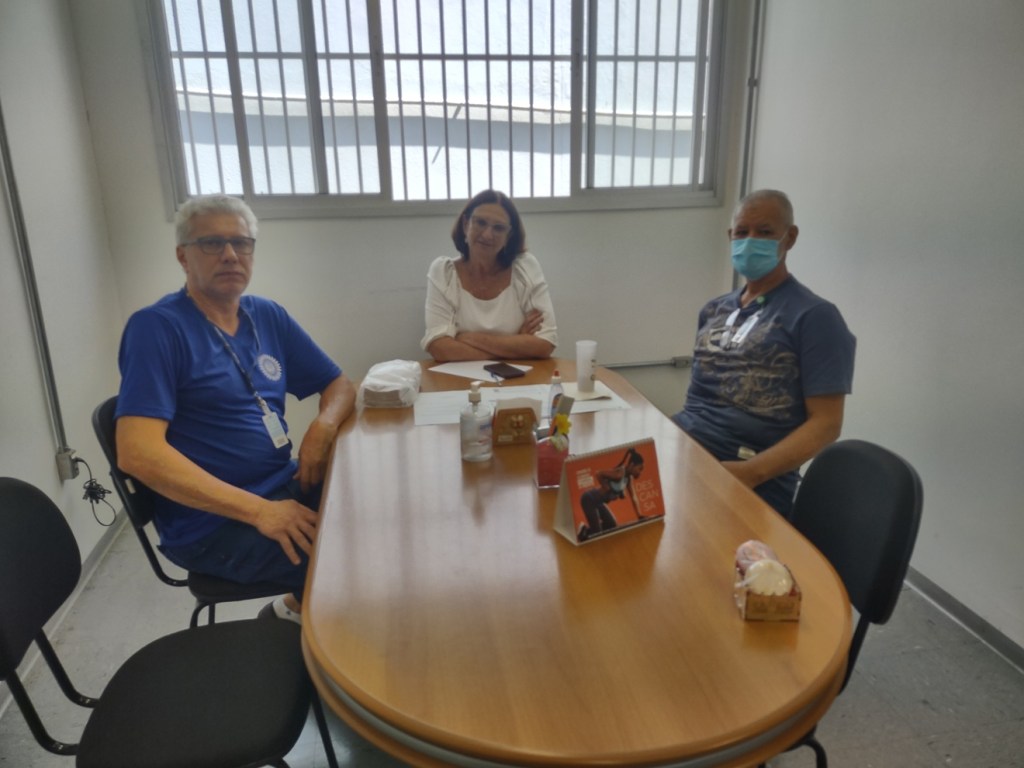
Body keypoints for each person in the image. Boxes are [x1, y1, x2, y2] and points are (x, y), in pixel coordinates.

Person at [115, 194, 356, 623]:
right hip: (212, 522)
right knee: (355, 561)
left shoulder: (267, 314)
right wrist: (260, 511)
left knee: (379, 511)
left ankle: (291, 611)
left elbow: (338, 384)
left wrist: (322, 427)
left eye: (241, 243)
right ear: (183, 256)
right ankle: (320, 641)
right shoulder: (156, 328)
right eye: (211, 243)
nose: (230, 255)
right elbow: (138, 453)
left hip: (282, 482)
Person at [671, 189, 856, 517]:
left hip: (751, 475)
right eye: (742, 232)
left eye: (765, 232)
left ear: (790, 237)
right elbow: (698, 403)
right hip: (685, 456)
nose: (750, 241)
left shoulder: (815, 317)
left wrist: (749, 473)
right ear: (730, 236)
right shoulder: (713, 310)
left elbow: (827, 424)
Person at [422, 189, 558, 361]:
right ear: (465, 224)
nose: (487, 235)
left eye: (498, 228)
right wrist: (517, 343)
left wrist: (468, 338)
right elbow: (440, 349)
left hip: (519, 375)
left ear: (509, 236)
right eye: (480, 223)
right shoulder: (444, 272)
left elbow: (545, 344)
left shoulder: (525, 268)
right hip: (456, 376)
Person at [577, 448, 646, 541]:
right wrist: (606, 487)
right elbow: (599, 474)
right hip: (590, 500)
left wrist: (640, 516)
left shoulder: (628, 478)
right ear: (632, 465)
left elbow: (634, 497)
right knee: (597, 534)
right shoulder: (620, 473)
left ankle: (585, 531)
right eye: (639, 469)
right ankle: (586, 533)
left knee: (611, 525)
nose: (640, 472)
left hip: (599, 503)